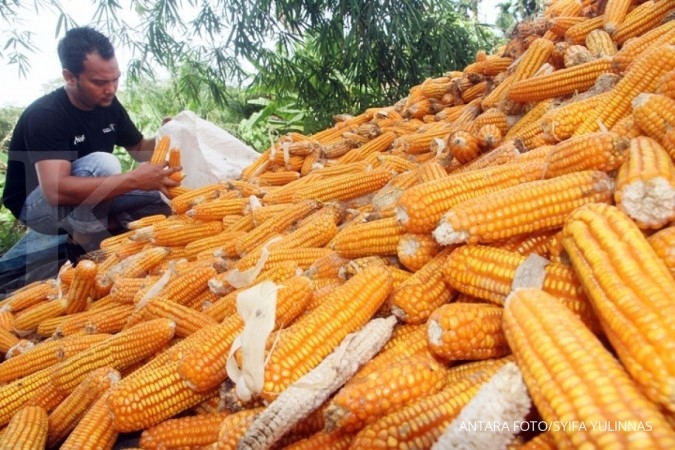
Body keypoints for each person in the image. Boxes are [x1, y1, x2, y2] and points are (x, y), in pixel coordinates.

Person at [2, 26, 180, 262]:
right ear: (70, 77)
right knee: (103, 162)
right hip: (39, 208)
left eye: (116, 79)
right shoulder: (46, 114)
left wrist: (168, 135)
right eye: (99, 82)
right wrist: (134, 179)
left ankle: (103, 226)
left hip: (89, 200)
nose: (111, 89)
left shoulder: (109, 104)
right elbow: (55, 191)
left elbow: (139, 150)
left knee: (159, 199)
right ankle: (87, 242)